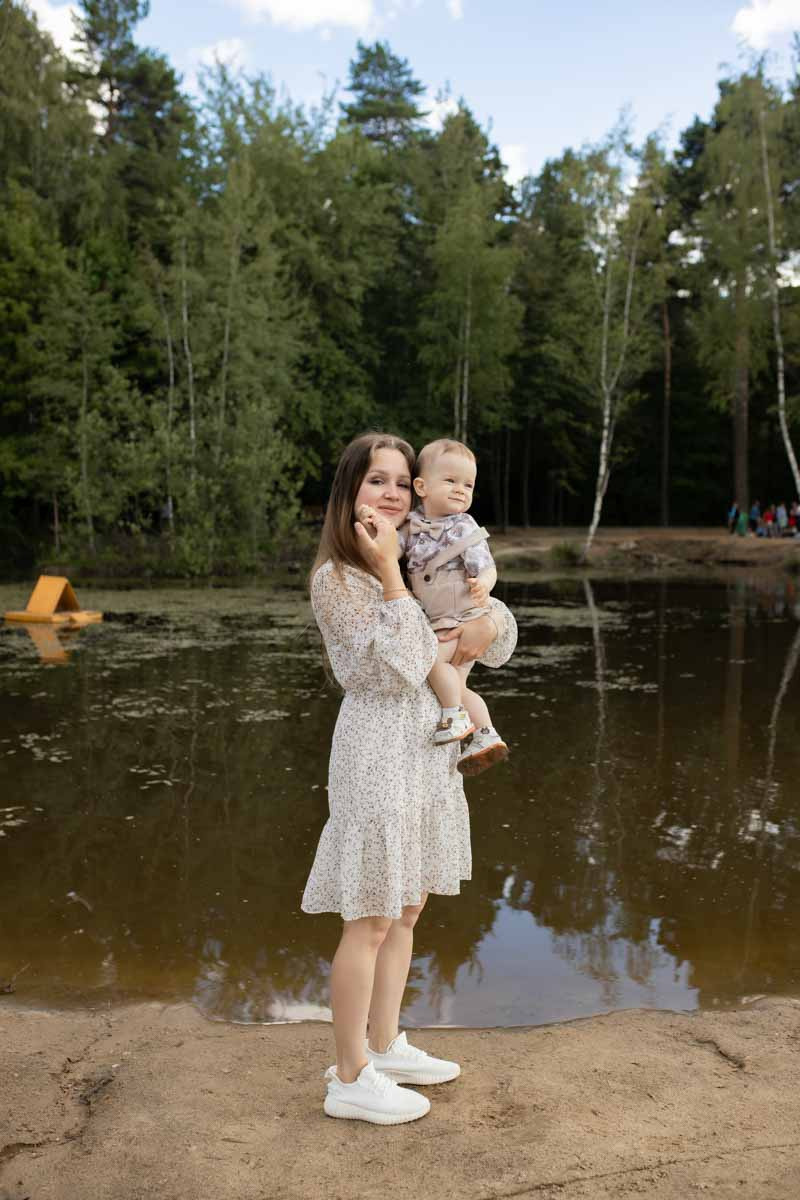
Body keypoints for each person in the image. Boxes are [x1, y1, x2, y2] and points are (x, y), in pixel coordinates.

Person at [302, 432, 517, 1126]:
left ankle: (387, 1044)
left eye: (400, 481)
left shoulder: (430, 552)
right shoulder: (341, 578)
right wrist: (394, 576)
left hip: (429, 756)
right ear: (349, 493)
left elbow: (499, 634)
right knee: (368, 915)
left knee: (408, 907)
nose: (391, 493)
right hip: (375, 754)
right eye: (375, 481)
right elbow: (390, 666)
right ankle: (349, 1074)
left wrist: (483, 618)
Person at [359, 438, 508, 775]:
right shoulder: (411, 524)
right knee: (454, 680)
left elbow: (486, 565)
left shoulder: (464, 526)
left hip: (461, 618)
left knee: (430, 661)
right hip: (442, 621)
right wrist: (373, 528)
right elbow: (389, 551)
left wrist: (484, 587)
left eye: (468, 484)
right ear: (422, 487)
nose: (460, 491)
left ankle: (455, 716)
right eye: (451, 481)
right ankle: (485, 733)